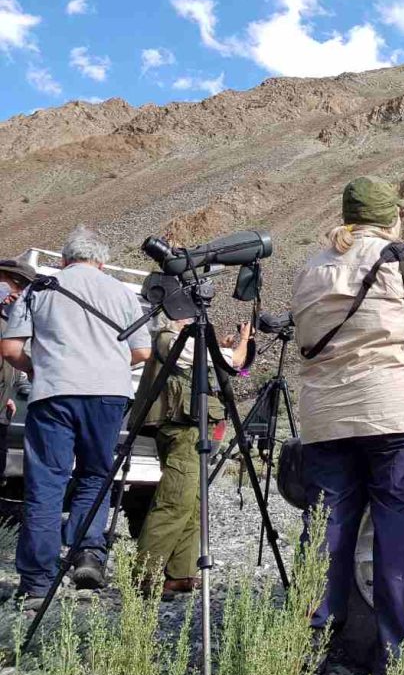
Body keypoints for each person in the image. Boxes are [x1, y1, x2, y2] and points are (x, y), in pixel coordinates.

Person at [292, 176, 404, 675]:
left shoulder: (312, 268)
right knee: (397, 541)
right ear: (390, 217)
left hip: (326, 421)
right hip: (392, 415)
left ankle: (301, 669)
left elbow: (303, 340)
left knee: (326, 539)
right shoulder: (401, 258)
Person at [0, 227, 152, 600]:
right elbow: (142, 352)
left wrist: (38, 368)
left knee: (46, 483)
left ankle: (38, 583)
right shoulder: (121, 292)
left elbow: (10, 349)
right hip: (108, 396)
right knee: (95, 475)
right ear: (101, 262)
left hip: (54, 393)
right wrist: (106, 367)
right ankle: (88, 554)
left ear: (65, 259)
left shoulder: (41, 289)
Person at [132, 316, 251, 594]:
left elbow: (214, 364)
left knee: (194, 502)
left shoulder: (178, 342)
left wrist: (221, 347)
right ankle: (144, 576)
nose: (191, 318)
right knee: (175, 501)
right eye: (184, 314)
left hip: (194, 429)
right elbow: (235, 360)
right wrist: (245, 339)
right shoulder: (169, 339)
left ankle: (181, 572)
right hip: (183, 430)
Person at [0, 259, 36, 482]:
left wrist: (7, 394)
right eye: (15, 284)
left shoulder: (7, 321)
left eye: (24, 287)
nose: (18, 293)